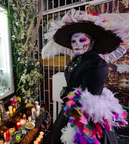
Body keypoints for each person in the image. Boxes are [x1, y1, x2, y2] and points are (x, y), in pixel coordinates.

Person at [42, 9, 129, 144]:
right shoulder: (78, 58)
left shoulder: (96, 63)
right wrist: (68, 93)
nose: (77, 44)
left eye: (82, 40)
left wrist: (70, 96)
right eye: (73, 41)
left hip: (85, 117)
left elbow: (90, 98)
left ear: (93, 41)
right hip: (71, 108)